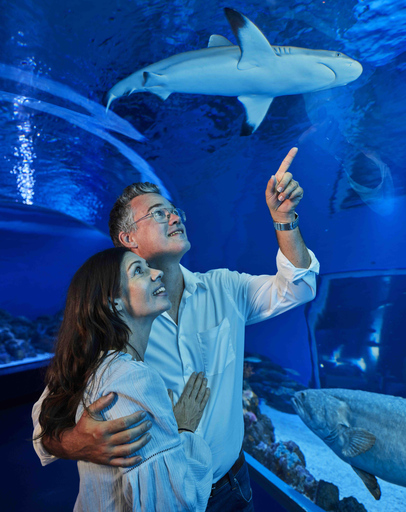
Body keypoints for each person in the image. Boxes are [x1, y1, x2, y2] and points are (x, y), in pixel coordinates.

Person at [33, 147, 320, 511]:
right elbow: (45, 427)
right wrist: (76, 442)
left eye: (174, 210)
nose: (173, 217)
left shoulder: (225, 288)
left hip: (231, 486)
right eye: (157, 213)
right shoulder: (109, 330)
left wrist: (284, 219)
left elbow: (299, 285)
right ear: (128, 240)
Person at [37, 247, 213, 510]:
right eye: (139, 271)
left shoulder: (94, 365)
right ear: (113, 302)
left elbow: (43, 423)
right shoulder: (133, 379)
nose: (158, 273)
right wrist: (184, 429)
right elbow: (176, 503)